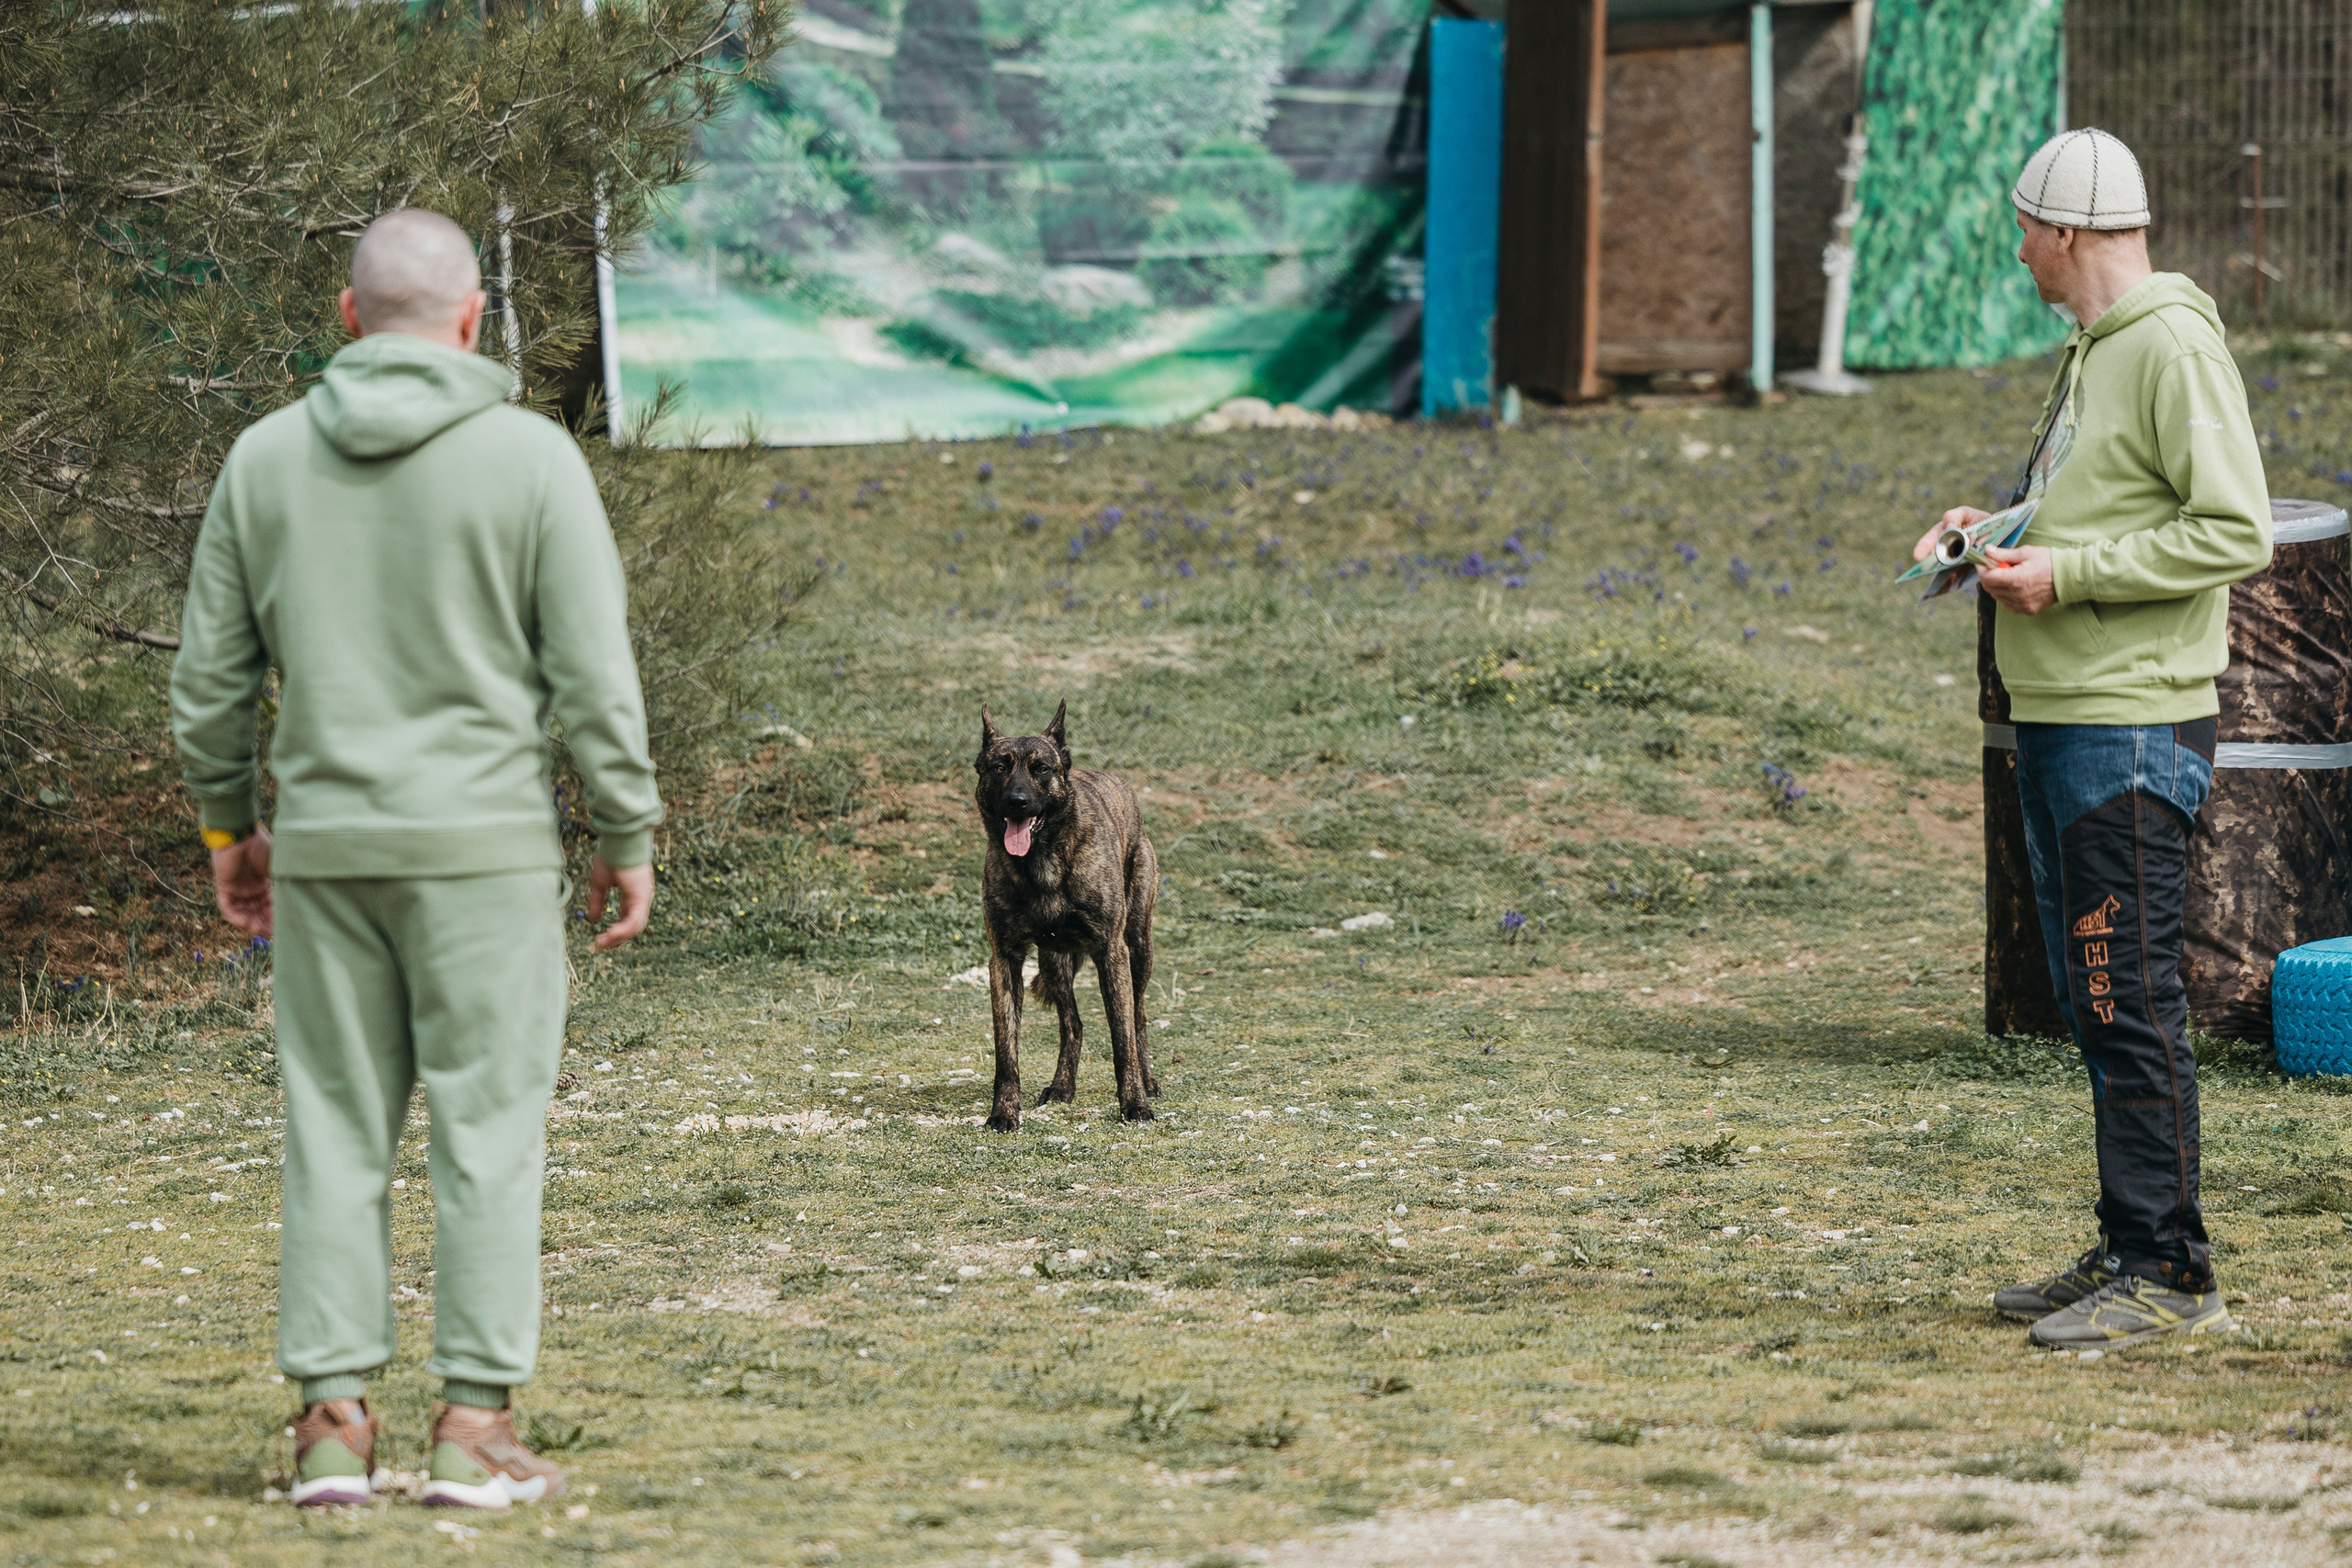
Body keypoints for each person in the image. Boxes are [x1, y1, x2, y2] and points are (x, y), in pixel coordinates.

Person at [170, 209, 663, 1508]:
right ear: (472, 316)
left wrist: (231, 828)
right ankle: (473, 1429)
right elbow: (596, 678)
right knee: (488, 1136)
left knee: (332, 1133)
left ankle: (331, 1430)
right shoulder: (534, 462)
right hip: (487, 860)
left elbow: (210, 682)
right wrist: (626, 831)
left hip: (326, 856)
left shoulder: (265, 461)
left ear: (347, 320)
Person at [1916, 129, 2269, 1349]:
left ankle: (2172, 1273)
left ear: (2064, 232)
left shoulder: (2171, 347)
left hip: (2130, 721)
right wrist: (1998, 528)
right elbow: (2102, 499)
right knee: (2096, 995)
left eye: (2024, 230)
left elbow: (2235, 530)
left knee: (2130, 997)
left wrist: (2069, 577)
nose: (2018, 252)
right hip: (2070, 716)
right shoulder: (2092, 353)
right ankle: (2133, 1241)